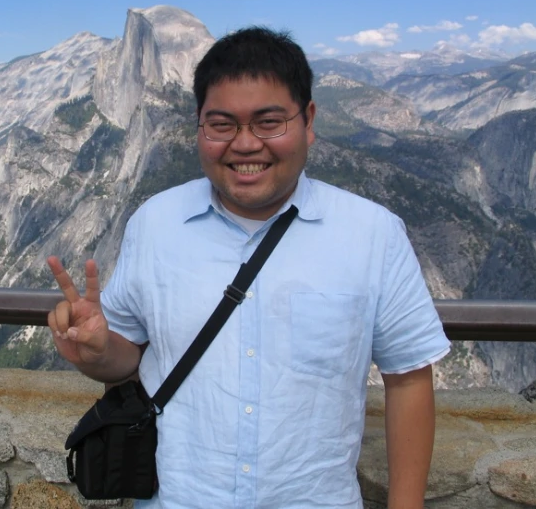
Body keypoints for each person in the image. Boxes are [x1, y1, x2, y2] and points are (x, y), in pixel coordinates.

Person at [47, 27, 450, 509]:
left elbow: (407, 379)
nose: (245, 144)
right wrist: (94, 351)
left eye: (268, 122)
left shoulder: (373, 235)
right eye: (222, 124)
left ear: (309, 121)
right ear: (199, 126)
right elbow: (126, 357)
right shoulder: (154, 223)